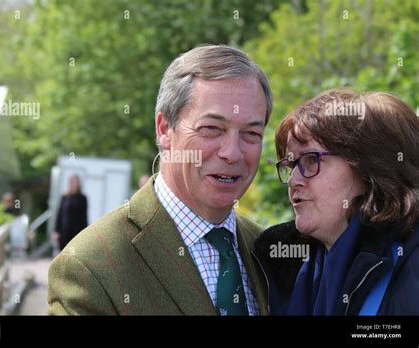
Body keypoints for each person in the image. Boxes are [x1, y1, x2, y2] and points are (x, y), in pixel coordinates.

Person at [48, 44, 273, 315]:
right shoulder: (90, 267)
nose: (232, 153)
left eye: (251, 134)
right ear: (165, 129)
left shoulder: (270, 252)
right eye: (212, 129)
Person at [254, 88, 419, 315]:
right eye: (291, 165)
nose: (294, 180)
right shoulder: (278, 264)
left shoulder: (411, 265)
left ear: (370, 169)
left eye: (311, 160)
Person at [53, 175, 88, 251]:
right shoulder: (64, 197)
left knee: (73, 253)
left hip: (76, 232)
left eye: (76, 182)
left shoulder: (82, 198)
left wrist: (85, 233)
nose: (74, 184)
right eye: (72, 182)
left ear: (79, 184)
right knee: (62, 254)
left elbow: (84, 217)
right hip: (64, 232)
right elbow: (59, 214)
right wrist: (56, 231)